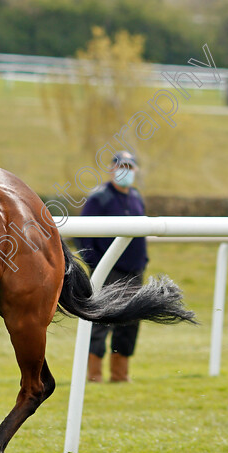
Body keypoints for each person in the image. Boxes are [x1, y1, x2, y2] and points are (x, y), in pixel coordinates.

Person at [79, 151, 148, 383]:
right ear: (111, 169)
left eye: (129, 167)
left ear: (135, 171)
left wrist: (143, 261)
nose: (125, 171)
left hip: (134, 270)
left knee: (130, 322)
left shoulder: (136, 196)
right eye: (120, 166)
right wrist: (96, 265)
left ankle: (120, 374)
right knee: (102, 321)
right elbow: (84, 236)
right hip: (107, 271)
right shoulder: (99, 197)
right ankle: (93, 374)